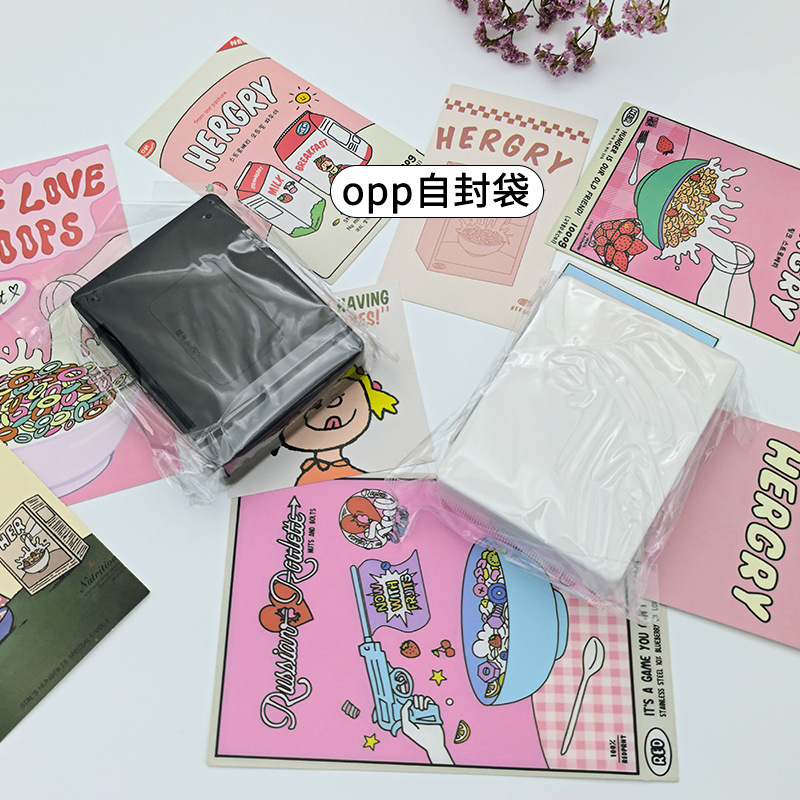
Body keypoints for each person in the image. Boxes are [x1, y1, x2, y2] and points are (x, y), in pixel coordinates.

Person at [281, 366, 398, 486]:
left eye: (338, 398)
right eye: (316, 406)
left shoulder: (352, 476)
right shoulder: (310, 471)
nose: (329, 408)